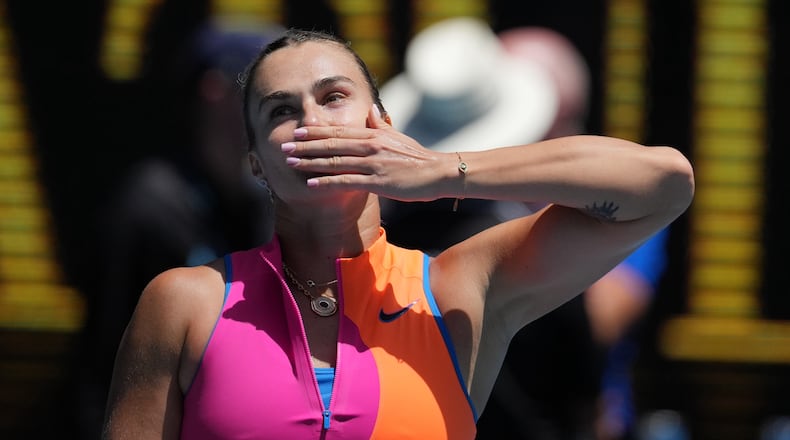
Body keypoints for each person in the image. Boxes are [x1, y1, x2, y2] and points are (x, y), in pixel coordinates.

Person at [101, 28, 694, 439]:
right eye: (280, 111)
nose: (312, 123)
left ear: (383, 125)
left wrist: (441, 169)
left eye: (334, 97)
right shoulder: (183, 303)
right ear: (256, 161)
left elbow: (665, 183)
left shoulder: (461, 286)